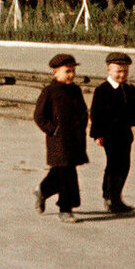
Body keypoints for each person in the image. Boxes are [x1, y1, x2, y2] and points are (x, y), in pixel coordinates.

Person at [90, 52, 135, 214]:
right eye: (118, 71)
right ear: (108, 70)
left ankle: (117, 197)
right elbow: (96, 114)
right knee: (113, 165)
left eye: (125, 71)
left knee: (124, 166)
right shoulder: (102, 91)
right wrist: (97, 134)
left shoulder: (131, 91)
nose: (122, 75)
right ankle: (109, 197)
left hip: (125, 135)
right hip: (109, 135)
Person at [33, 53, 89, 223]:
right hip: (58, 140)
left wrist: (82, 125)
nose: (71, 75)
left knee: (60, 171)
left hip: (75, 138)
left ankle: (42, 190)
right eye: (67, 71)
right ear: (55, 73)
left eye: (73, 71)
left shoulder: (76, 90)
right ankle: (65, 209)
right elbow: (39, 115)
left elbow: (83, 111)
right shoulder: (49, 91)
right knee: (67, 173)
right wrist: (52, 130)